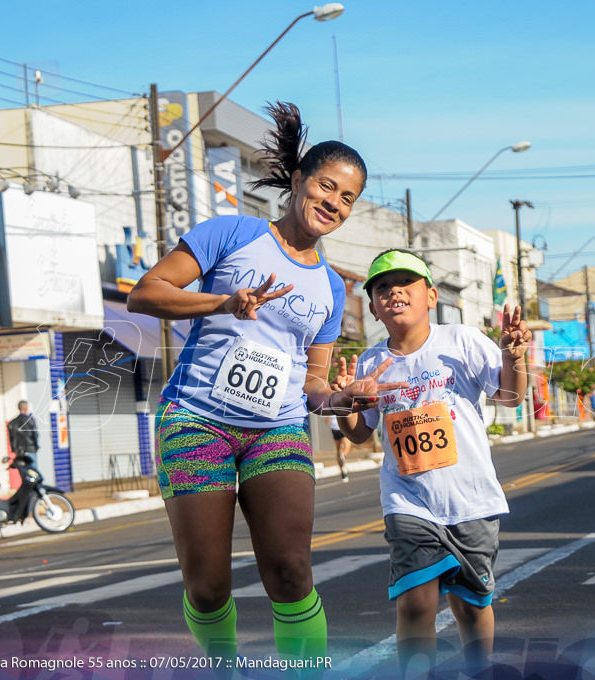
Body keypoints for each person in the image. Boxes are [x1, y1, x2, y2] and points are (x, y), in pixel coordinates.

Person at [127, 102, 402, 665]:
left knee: (292, 570)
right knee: (208, 586)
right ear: (298, 180)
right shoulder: (231, 233)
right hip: (197, 419)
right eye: (327, 186)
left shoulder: (328, 287)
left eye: (348, 198)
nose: (335, 203)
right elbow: (145, 293)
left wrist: (342, 397)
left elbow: (314, 385)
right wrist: (223, 301)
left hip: (276, 428)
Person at [335, 249, 531, 676]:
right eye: (383, 287)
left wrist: (514, 357)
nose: (394, 292)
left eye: (406, 283)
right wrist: (347, 404)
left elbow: (510, 396)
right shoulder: (371, 362)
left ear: (431, 296)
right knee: (415, 606)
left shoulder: (461, 340)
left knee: (471, 606)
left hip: (470, 501)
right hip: (408, 502)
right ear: (372, 307)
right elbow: (360, 433)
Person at [328, 415, 351, 482]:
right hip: (342, 426)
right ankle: (342, 456)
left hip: (334, 427)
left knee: (338, 450)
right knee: (347, 447)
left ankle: (343, 473)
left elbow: (327, 419)